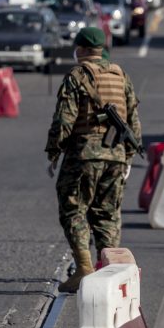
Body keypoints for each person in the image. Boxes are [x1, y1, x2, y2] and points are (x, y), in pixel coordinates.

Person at [45, 27, 142, 293]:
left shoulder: (77, 75)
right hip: (117, 156)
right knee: (107, 214)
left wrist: (54, 151)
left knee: (74, 209)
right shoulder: (121, 75)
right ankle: (108, 273)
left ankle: (84, 269)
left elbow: (64, 119)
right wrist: (128, 156)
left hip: (84, 155)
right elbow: (133, 120)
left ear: (82, 49)